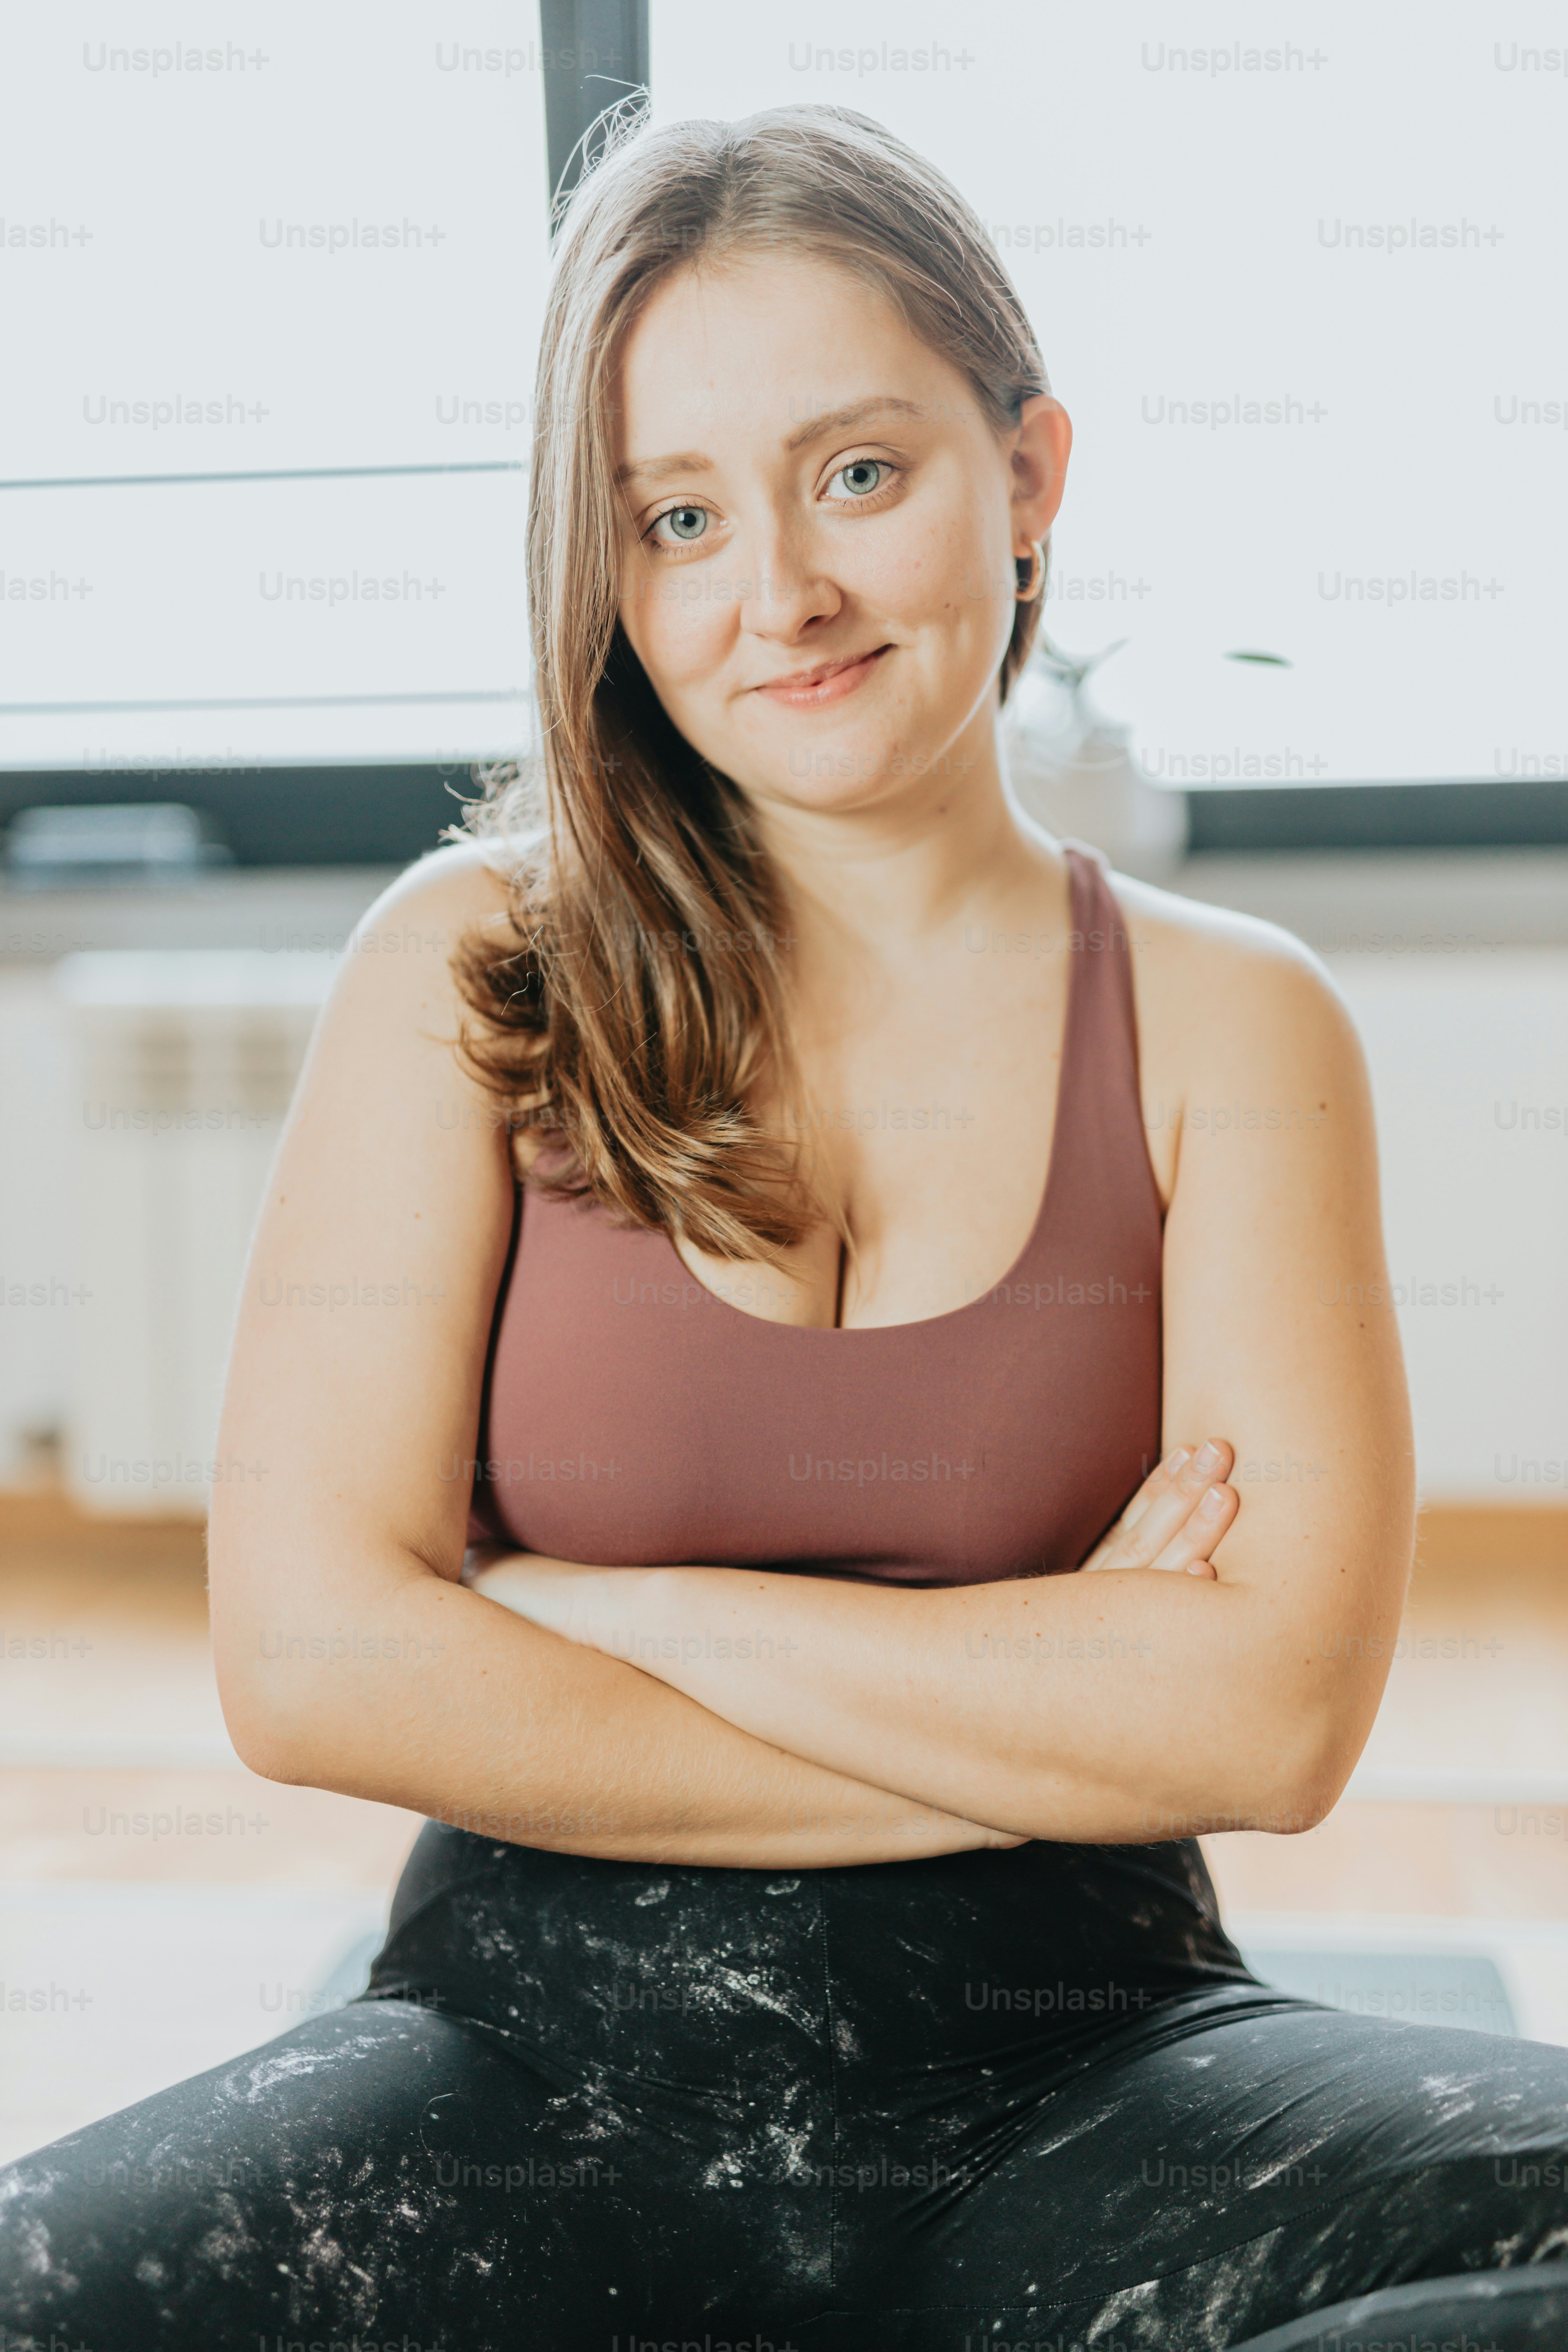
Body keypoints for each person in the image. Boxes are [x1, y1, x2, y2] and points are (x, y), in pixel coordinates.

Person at [3, 103, 1564, 2352]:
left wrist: (587, 1610)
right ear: (608, 572)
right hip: (525, 2072)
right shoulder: (469, 972)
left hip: (1097, 2065)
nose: (780, 597)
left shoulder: (1240, 1020)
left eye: (859, 474)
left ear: (1028, 479)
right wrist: (1055, 1688)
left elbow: (1271, 1720)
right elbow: (312, 1658)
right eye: (677, 517)